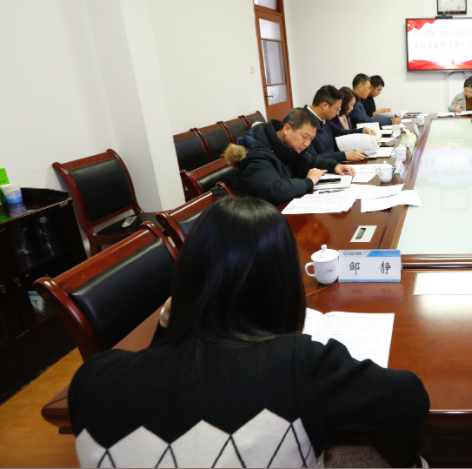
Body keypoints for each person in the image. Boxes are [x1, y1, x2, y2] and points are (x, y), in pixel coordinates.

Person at [69, 196, 430, 467]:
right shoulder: (298, 363)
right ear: (282, 285)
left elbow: (165, 380)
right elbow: (411, 399)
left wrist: (167, 326)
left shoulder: (90, 382)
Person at [223, 107, 356, 205]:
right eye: (304, 137)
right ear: (287, 129)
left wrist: (333, 166)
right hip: (255, 217)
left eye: (311, 139)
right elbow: (273, 191)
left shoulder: (285, 144)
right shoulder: (255, 152)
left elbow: (305, 161)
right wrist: (308, 182)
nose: (306, 143)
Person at [304, 84, 375, 163]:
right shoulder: (303, 122)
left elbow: (341, 132)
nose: (338, 113)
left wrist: (363, 130)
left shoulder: (324, 119)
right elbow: (311, 159)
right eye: (337, 109)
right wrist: (344, 155)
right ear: (324, 106)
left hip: (332, 165)